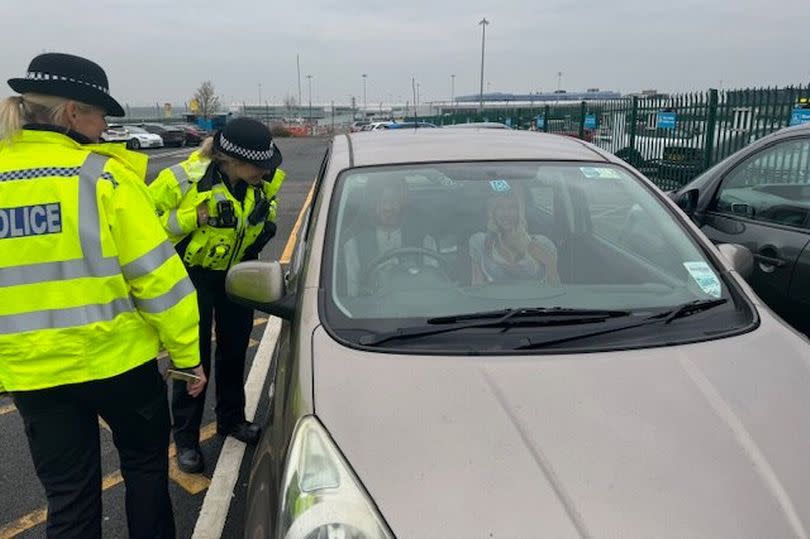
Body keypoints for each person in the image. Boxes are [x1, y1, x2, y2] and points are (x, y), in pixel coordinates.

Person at [0, 52, 205, 539]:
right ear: (73, 112)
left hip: (35, 375)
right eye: (100, 115)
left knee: (69, 499)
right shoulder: (103, 178)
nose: (104, 127)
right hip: (119, 365)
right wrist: (188, 356)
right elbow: (159, 281)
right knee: (145, 471)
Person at [149, 117, 285, 473]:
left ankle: (231, 419)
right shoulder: (182, 180)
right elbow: (145, 226)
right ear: (229, 160)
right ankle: (186, 438)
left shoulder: (259, 183)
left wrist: (265, 221)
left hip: (236, 273)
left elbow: (266, 211)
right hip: (192, 277)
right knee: (191, 359)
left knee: (235, 349)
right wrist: (196, 216)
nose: (264, 172)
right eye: (258, 165)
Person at [343, 180, 437, 296]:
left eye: (394, 201)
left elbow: (434, 287)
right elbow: (352, 294)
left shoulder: (423, 240)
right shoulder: (355, 244)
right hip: (370, 311)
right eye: (381, 201)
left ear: (403, 204)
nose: (388, 208)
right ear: (372, 204)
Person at [469, 187, 560, 285]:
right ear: (492, 212)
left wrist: (549, 262)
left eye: (512, 207)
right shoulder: (480, 242)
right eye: (499, 207)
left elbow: (555, 287)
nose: (506, 214)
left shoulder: (544, 244)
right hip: (495, 300)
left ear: (521, 212)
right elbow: (477, 287)